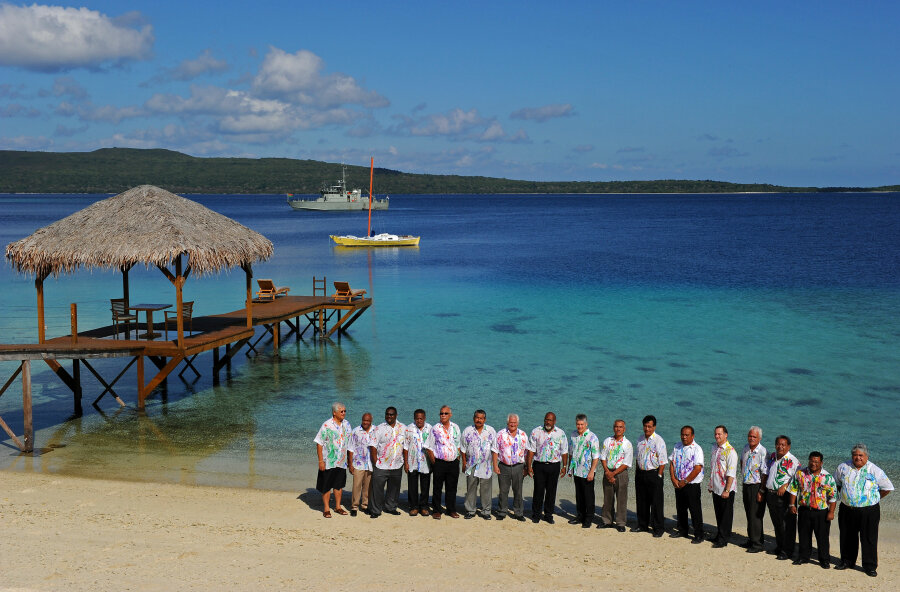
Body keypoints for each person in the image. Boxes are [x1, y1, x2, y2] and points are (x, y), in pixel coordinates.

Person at [834, 443, 894, 577]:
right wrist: (846, 496)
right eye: (855, 455)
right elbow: (836, 484)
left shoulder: (874, 470)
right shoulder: (843, 467)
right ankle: (847, 561)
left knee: (869, 538)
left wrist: (874, 498)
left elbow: (887, 487)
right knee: (847, 536)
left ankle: (869, 566)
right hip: (847, 509)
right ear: (852, 456)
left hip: (869, 511)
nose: (858, 458)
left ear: (866, 456)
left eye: (861, 455)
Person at [789, 451, 837, 568]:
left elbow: (833, 496)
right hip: (805, 509)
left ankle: (824, 560)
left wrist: (831, 512)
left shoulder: (828, 477)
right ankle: (803, 557)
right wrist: (792, 505)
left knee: (822, 537)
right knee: (804, 535)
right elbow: (793, 489)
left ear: (821, 463)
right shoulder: (800, 474)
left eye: (816, 462)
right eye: (811, 461)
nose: (813, 464)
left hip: (821, 511)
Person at [526, 412, 569, 524]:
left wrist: (564, 466)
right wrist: (529, 466)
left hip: (554, 466)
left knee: (551, 491)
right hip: (539, 465)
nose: (548, 422)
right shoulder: (536, 431)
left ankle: (548, 515)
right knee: (538, 491)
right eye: (546, 420)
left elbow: (564, 451)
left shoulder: (560, 433)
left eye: (550, 420)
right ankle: (536, 514)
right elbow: (531, 450)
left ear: (554, 421)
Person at [763, 435, 800, 560]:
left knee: (786, 524)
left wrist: (785, 485)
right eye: (778, 444)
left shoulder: (793, 461)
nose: (780, 446)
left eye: (783, 444)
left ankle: (787, 550)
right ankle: (780, 546)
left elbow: (799, 478)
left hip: (784, 496)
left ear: (788, 446)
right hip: (771, 494)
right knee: (777, 523)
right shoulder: (773, 457)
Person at [313, 402, 352, 518]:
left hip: (341, 461)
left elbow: (350, 443)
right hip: (328, 461)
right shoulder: (326, 425)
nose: (344, 413)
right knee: (326, 486)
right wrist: (321, 461)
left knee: (339, 485)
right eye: (341, 411)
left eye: (345, 411)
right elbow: (319, 444)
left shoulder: (347, 424)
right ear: (334, 413)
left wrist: (350, 461)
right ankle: (326, 508)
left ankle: (338, 506)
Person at [368, 407, 405, 518]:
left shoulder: (403, 428)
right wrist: (375, 462)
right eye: (387, 414)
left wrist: (405, 462)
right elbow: (373, 446)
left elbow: (406, 445)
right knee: (377, 490)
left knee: (394, 489)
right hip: (381, 465)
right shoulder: (379, 429)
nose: (389, 416)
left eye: (391, 414)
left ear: (396, 415)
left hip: (397, 464)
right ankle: (375, 510)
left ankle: (390, 508)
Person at [669, 425, 704, 543]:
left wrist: (686, 481)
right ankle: (682, 530)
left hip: (692, 484)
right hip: (678, 483)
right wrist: (673, 478)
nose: (684, 437)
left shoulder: (697, 449)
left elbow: (698, 468)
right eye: (682, 434)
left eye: (687, 435)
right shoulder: (677, 446)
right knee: (681, 508)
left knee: (695, 510)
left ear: (692, 436)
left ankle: (699, 534)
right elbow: (672, 463)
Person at [426, 405, 462, 519]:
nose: (443, 415)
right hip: (439, 463)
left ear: (450, 415)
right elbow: (429, 447)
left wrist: (457, 458)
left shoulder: (456, 427)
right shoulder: (435, 428)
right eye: (441, 413)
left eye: (446, 413)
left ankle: (451, 510)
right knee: (437, 487)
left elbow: (459, 445)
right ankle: (436, 510)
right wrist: (434, 463)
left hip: (453, 463)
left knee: (452, 487)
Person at [634, 414, 667, 537]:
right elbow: (638, 457)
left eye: (649, 426)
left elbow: (663, 461)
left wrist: (659, 476)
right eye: (645, 426)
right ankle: (642, 525)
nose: (647, 429)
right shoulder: (640, 439)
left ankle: (658, 528)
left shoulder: (659, 440)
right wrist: (637, 472)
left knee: (656, 502)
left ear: (654, 427)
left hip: (654, 473)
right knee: (642, 501)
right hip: (641, 473)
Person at [492, 413, 529, 521]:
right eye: (510, 422)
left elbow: (527, 452)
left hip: (519, 466)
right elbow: (495, 450)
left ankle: (518, 513)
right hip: (503, 466)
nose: (512, 424)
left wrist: (526, 467)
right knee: (503, 491)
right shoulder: (500, 434)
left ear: (517, 423)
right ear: (507, 423)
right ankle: (502, 511)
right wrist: (495, 465)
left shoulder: (523, 435)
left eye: (514, 422)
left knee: (518, 491)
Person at [461, 409, 496, 520]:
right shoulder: (468, 430)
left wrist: (495, 464)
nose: (479, 420)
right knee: (471, 488)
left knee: (486, 489)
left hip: (486, 466)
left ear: (484, 419)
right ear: (473, 418)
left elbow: (495, 449)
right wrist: (464, 463)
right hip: (471, 465)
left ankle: (486, 511)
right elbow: (462, 448)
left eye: (481, 418)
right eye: (477, 417)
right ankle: (470, 510)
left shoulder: (490, 431)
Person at [566, 413, 600, 529]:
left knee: (588, 496)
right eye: (578, 424)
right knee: (579, 495)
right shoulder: (573, 435)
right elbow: (571, 453)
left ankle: (589, 519)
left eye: (581, 424)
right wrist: (570, 469)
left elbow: (596, 457)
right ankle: (580, 516)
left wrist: (592, 472)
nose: (579, 426)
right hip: (576, 470)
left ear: (586, 424)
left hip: (587, 471)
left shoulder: (592, 437)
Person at [599, 419, 633, 532]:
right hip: (608, 470)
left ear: (624, 429)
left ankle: (620, 523)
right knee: (608, 498)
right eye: (616, 426)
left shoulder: (627, 444)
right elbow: (603, 457)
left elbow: (627, 463)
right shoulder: (607, 441)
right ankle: (607, 521)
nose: (618, 429)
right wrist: (607, 472)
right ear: (613, 427)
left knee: (621, 498)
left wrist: (613, 473)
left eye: (620, 427)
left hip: (621, 473)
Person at [708, 425, 738, 548]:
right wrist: (711, 485)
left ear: (726, 435)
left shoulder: (730, 451)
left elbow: (731, 473)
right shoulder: (714, 448)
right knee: (719, 513)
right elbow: (713, 468)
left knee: (726, 515)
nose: (717, 436)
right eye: (715, 434)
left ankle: (723, 539)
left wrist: (727, 490)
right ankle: (719, 534)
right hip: (716, 487)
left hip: (726, 489)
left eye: (719, 434)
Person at [740, 426, 768, 552]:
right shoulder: (746, 448)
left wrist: (761, 490)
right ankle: (752, 539)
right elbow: (742, 462)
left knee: (755, 515)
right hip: (746, 483)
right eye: (750, 436)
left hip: (756, 485)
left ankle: (757, 544)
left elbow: (765, 473)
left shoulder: (762, 452)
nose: (751, 438)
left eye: (754, 437)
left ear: (759, 438)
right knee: (748, 513)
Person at [403, 408, 432, 516]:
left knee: (425, 485)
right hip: (412, 462)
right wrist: (406, 462)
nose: (419, 420)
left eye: (421, 418)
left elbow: (432, 446)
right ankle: (414, 506)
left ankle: (424, 506)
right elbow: (405, 447)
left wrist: (433, 462)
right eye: (417, 418)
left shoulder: (430, 429)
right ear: (414, 419)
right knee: (412, 485)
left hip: (425, 462)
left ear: (424, 418)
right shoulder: (409, 429)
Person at [347, 412, 374, 516]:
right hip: (358, 463)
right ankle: (354, 507)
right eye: (364, 420)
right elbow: (350, 448)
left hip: (370, 463)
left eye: (367, 421)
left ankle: (365, 505)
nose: (365, 422)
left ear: (371, 421)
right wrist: (350, 464)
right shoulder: (355, 431)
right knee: (356, 486)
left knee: (367, 487)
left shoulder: (375, 431)